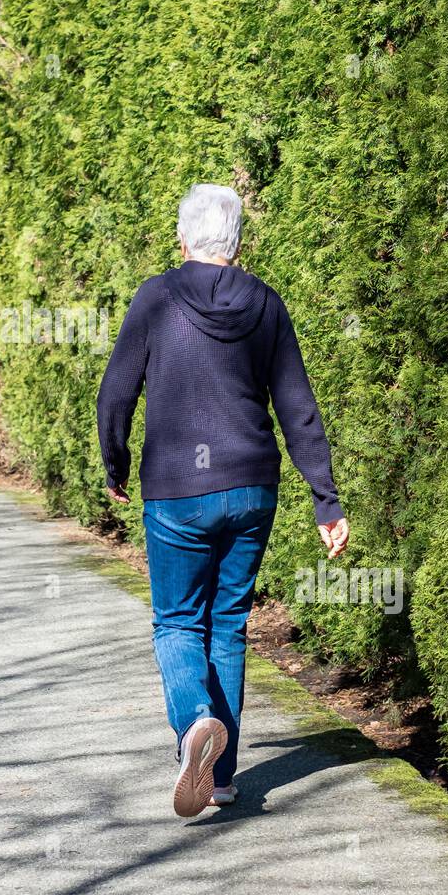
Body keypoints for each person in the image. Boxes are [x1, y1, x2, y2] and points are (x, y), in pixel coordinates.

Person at [96, 183, 349, 818]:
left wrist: (116, 463)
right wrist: (327, 500)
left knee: (179, 621)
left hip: (179, 490)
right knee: (228, 625)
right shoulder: (265, 303)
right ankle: (225, 777)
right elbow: (298, 407)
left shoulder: (156, 298)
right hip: (252, 486)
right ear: (237, 243)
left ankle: (195, 727)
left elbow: (116, 393)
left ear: (183, 239)